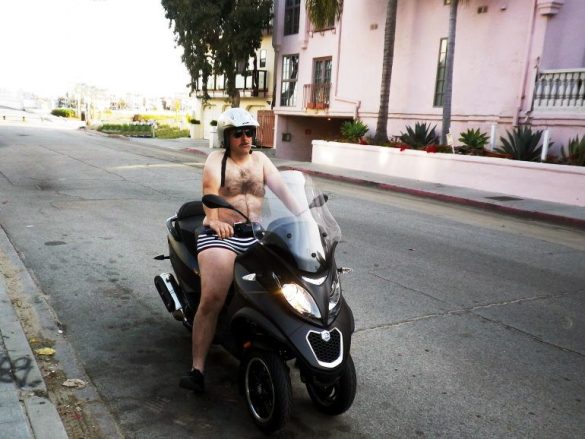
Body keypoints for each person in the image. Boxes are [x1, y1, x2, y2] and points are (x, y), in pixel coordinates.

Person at [179, 108, 302, 393]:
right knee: (212, 298)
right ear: (227, 137)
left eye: (249, 132)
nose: (245, 138)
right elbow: (209, 191)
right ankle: (198, 369)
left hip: (255, 234)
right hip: (222, 235)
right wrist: (213, 219)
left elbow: (284, 192)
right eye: (238, 133)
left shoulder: (261, 161)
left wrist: (304, 217)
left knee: (287, 285)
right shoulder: (217, 160)